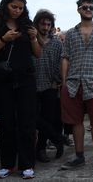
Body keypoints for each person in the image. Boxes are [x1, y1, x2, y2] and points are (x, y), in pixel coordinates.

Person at [0, 0, 41, 179]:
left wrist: (33, 38)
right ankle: (7, 164)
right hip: (2, 80)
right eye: (13, 6)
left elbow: (38, 54)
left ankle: (26, 164)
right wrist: (4, 39)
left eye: (21, 8)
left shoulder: (27, 24)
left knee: (27, 122)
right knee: (7, 122)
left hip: (25, 79)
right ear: (5, 5)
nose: (17, 11)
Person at [60, 0, 93, 170]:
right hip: (73, 83)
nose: (88, 10)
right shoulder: (70, 34)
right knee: (76, 122)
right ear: (79, 10)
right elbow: (65, 58)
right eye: (85, 7)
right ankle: (79, 156)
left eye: (91, 7)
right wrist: (64, 81)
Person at [32, 9, 64, 163]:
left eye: (48, 24)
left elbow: (60, 63)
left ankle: (41, 149)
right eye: (42, 23)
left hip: (50, 85)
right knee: (31, 117)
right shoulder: (30, 40)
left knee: (47, 118)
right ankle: (57, 138)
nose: (45, 27)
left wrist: (57, 80)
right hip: (31, 85)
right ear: (37, 24)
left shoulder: (57, 44)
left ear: (52, 26)